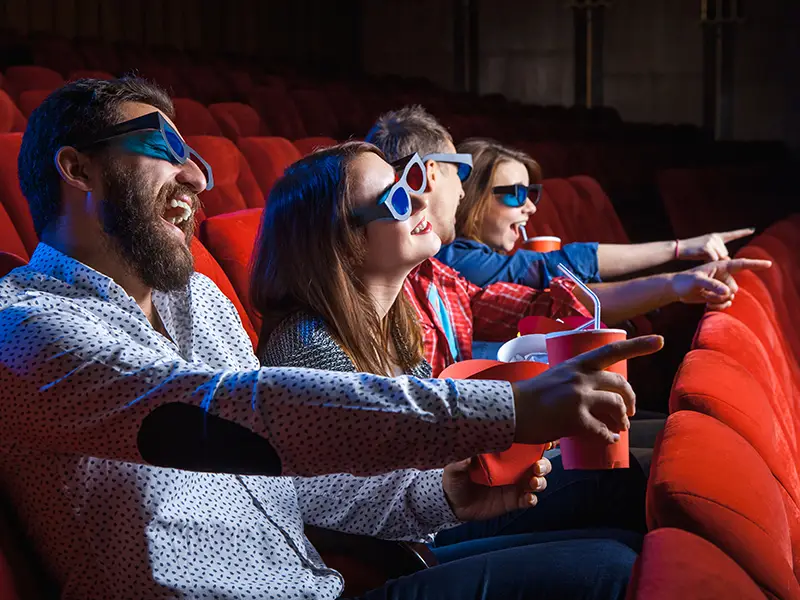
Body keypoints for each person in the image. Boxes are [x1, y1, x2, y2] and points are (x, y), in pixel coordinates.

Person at [0, 78, 662, 599]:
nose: (197, 178)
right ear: (77, 170)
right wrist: (508, 410)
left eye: (195, 159)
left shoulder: (197, 299)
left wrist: (443, 495)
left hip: (316, 585)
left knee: (622, 548)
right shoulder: (27, 325)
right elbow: (226, 411)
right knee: (607, 571)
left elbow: (296, 476)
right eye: (160, 151)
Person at [251, 140, 648, 599]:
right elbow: (329, 503)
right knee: (614, 562)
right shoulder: (306, 346)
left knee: (620, 518)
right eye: (397, 199)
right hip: (396, 542)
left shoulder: (394, 321)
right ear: (341, 239)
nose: (421, 199)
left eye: (410, 184)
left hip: (436, 509)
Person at [364, 107, 771, 373]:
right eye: (462, 175)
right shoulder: (393, 283)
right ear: (432, 174)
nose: (462, 190)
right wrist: (679, 255)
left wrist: (676, 284)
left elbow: (551, 302)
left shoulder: (442, 278)